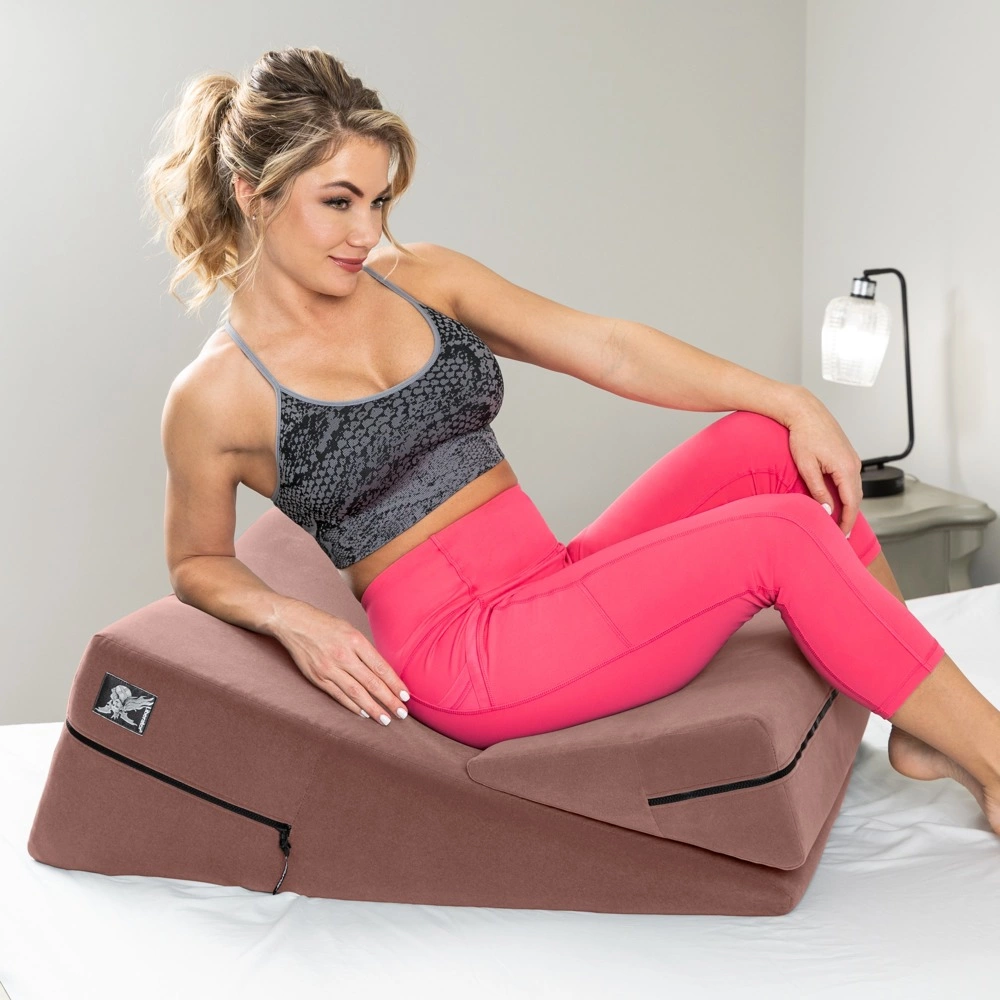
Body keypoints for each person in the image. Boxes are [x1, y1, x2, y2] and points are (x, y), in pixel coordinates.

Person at [145, 46, 1000, 835]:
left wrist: (791, 398)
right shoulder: (216, 395)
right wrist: (292, 619)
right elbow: (196, 561)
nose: (366, 233)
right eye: (337, 202)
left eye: (377, 202)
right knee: (782, 536)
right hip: (464, 654)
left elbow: (608, 347)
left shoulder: (419, 279)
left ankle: (923, 731)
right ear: (254, 193)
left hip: (548, 578)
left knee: (769, 446)